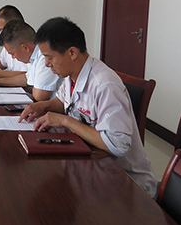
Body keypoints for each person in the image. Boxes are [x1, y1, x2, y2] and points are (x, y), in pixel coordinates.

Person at [19, 17, 157, 197]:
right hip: (92, 167)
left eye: (49, 57)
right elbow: (63, 101)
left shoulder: (105, 85)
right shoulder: (71, 74)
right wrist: (43, 106)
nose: (46, 64)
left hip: (126, 182)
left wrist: (65, 121)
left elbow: (117, 145)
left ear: (72, 52)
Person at [0, 20, 61, 102]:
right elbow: (26, 78)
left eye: (13, 54)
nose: (13, 57)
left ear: (25, 48)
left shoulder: (44, 56)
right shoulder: (35, 55)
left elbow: (39, 96)